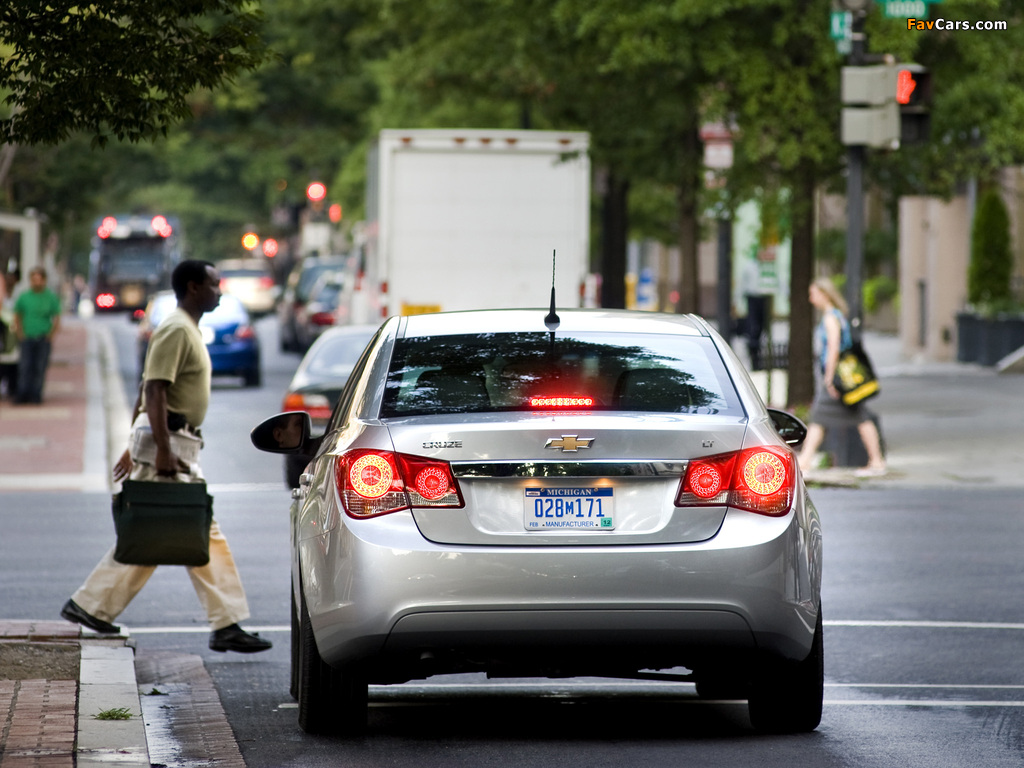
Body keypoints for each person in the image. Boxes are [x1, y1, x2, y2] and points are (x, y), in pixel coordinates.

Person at [61, 260, 272, 653]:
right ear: (193, 287)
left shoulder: (184, 328)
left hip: (175, 441)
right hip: (170, 443)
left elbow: (147, 389)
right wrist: (158, 449)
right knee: (173, 531)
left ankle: (93, 606)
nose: (219, 291)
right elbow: (155, 389)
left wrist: (136, 444)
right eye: (213, 284)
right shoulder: (176, 328)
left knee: (174, 532)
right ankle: (92, 605)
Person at [798, 277, 886, 478]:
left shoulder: (830, 318)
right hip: (844, 378)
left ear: (825, 294)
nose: (811, 299)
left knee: (820, 417)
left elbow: (834, 348)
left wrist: (829, 378)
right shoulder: (837, 316)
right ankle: (876, 460)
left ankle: (806, 460)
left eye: (814, 294)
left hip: (838, 379)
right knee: (857, 416)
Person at [12, 266, 62, 404]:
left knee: (39, 367)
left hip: (43, 337)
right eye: (34, 280)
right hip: (27, 337)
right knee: (25, 366)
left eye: (39, 280)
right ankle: (22, 393)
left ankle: (36, 395)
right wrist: (20, 333)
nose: (36, 283)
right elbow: (17, 315)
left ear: (44, 281)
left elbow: (57, 317)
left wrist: (51, 335)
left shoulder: (50, 297)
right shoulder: (24, 297)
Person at [0, 271, 20, 400]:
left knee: (13, 362)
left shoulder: (19, 294)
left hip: (13, 333)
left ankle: (12, 388)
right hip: (3, 331)